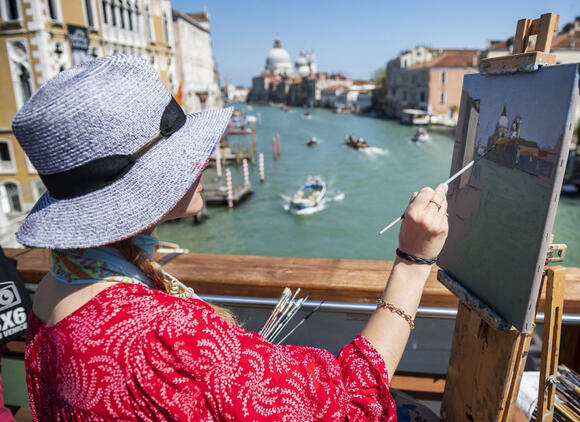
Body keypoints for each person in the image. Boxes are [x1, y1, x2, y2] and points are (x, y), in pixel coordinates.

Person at [16, 55, 449, 421]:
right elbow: (346, 402)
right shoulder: (166, 335)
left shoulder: (55, 284)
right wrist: (412, 262)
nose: (206, 160)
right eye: (186, 153)